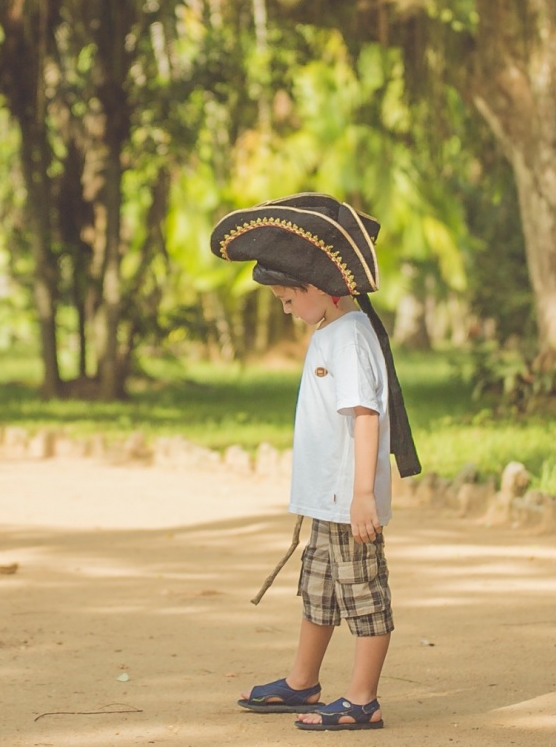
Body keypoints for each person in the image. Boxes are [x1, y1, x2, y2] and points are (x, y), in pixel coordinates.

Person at [209, 192, 421, 731]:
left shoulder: (349, 337)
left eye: (286, 300)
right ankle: (303, 681)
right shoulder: (331, 330)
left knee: (363, 595)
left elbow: (365, 415)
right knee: (320, 591)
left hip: (349, 503)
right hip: (329, 501)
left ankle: (363, 700)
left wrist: (362, 495)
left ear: (318, 290)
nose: (286, 310)